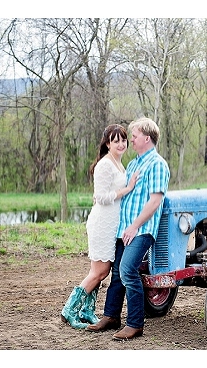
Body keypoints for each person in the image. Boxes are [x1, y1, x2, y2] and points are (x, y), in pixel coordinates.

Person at [86, 117, 169, 341]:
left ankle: (135, 324)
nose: (130, 139)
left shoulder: (157, 164)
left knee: (128, 271)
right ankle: (111, 316)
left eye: (133, 136)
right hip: (124, 229)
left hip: (141, 230)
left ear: (147, 138)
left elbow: (154, 201)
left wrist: (134, 226)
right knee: (116, 274)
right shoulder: (133, 164)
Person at [60, 124, 138, 329]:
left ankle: (87, 310)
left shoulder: (119, 164)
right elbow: (101, 197)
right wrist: (127, 189)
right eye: (116, 141)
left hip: (113, 225)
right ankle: (69, 310)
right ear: (107, 143)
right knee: (99, 271)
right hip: (102, 223)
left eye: (123, 140)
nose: (121, 144)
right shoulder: (104, 165)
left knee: (103, 271)